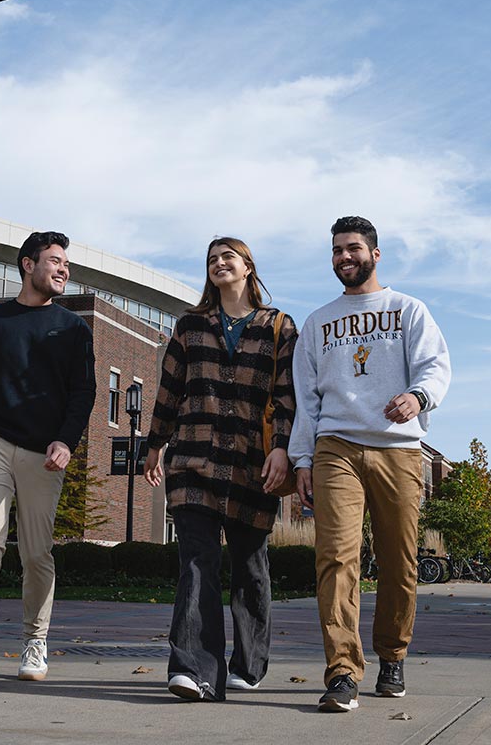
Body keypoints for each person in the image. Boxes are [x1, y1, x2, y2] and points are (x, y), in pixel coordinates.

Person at [290, 216, 451, 713]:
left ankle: (393, 656)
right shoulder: (318, 323)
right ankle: (342, 671)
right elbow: (307, 400)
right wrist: (302, 458)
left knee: (399, 562)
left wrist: (418, 397)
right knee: (336, 558)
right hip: (336, 446)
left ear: (375, 254)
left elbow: (435, 365)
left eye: (353, 248)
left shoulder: (408, 310)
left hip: (398, 448)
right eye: (337, 250)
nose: (344, 257)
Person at [141, 237, 298, 702]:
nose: (218, 263)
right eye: (211, 259)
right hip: (194, 458)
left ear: (249, 267)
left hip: (254, 464)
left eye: (227, 256)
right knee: (196, 562)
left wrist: (284, 449)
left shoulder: (279, 327)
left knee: (250, 568)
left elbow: (289, 396)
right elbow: (169, 388)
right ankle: (193, 668)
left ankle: (248, 664)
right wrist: (154, 446)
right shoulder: (189, 325)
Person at [0, 230, 97, 693]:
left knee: (36, 553)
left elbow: (83, 391)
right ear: (28, 265)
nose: (64, 269)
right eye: (55, 261)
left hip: (45, 452)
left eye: (66, 264)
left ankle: (35, 642)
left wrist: (66, 441)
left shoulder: (73, 330)